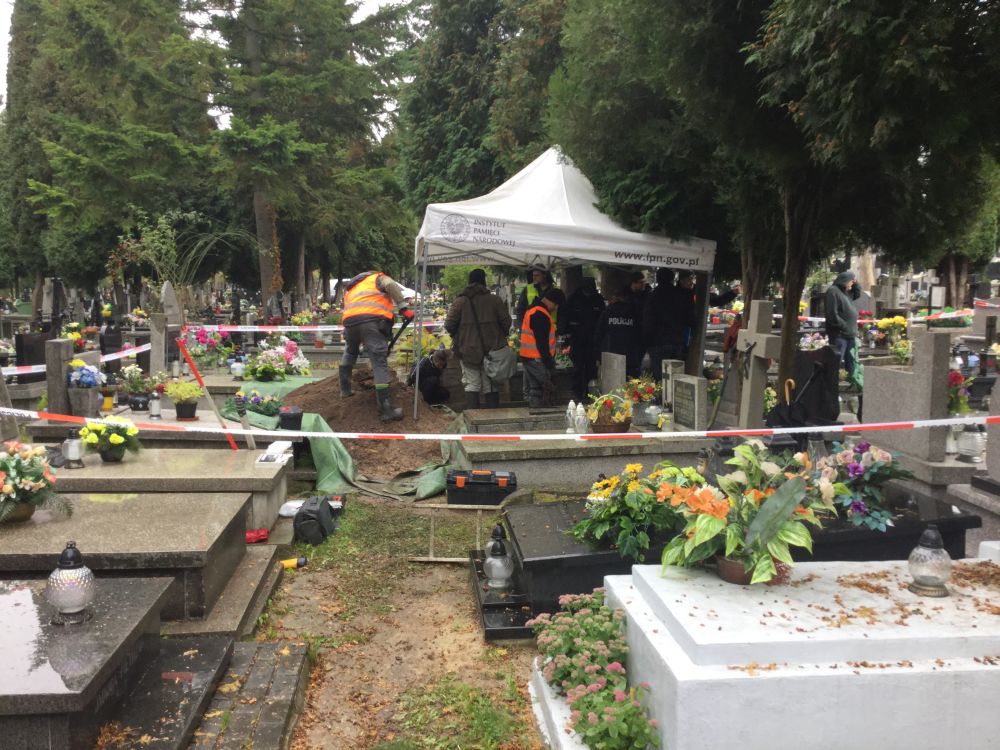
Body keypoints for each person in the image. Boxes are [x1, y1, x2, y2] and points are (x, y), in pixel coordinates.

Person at [339, 270, 414, 421]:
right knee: (379, 362)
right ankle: (385, 409)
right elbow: (390, 284)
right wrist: (403, 308)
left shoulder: (352, 287)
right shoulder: (378, 278)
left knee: (350, 352)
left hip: (350, 323)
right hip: (372, 320)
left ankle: (345, 390)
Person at [444, 268, 512, 409]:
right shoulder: (495, 300)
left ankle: (472, 418)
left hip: (468, 350)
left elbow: (449, 325)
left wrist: (462, 335)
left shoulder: (460, 302)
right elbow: (506, 323)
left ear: (469, 282)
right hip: (493, 350)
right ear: (484, 282)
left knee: (472, 384)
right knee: (490, 386)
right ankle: (492, 419)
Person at [643, 268, 693, 382]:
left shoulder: (652, 296)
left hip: (656, 341)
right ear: (672, 279)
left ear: (658, 279)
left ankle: (661, 392)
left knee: (659, 375)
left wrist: (647, 341)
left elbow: (647, 320)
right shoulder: (680, 295)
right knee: (675, 375)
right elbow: (688, 316)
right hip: (676, 339)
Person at [559, 277, 605, 402]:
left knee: (591, 368)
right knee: (577, 368)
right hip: (577, 338)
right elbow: (565, 317)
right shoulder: (573, 299)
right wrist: (565, 334)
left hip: (592, 340)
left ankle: (590, 393)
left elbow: (602, 318)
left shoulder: (598, 299)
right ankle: (577, 393)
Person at [519, 287, 564, 407]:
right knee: (547, 385)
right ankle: (543, 409)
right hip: (537, 358)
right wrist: (549, 362)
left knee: (535, 388)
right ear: (551, 301)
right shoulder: (540, 314)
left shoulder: (533, 310)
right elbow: (542, 342)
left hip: (528, 357)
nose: (555, 308)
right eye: (556, 305)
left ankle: (535, 409)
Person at [595, 286, 643, 378]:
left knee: (612, 383)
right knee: (631, 383)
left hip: (611, 355)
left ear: (615, 297)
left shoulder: (608, 312)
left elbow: (599, 334)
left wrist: (598, 355)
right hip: (631, 356)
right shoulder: (634, 312)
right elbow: (640, 333)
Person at [824, 270, 861, 379]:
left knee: (852, 363)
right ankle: (831, 385)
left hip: (850, 335)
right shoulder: (833, 291)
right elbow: (831, 314)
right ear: (844, 280)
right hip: (839, 335)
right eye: (851, 281)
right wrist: (844, 326)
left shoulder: (846, 292)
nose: (852, 284)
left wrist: (855, 281)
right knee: (836, 362)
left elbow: (857, 293)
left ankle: (852, 383)